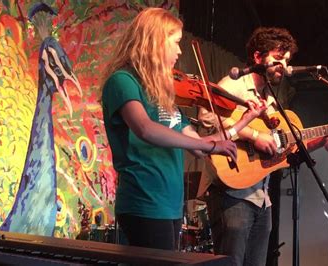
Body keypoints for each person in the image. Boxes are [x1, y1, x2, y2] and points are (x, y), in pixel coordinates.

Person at [100, 8, 265, 251]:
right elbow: (145, 129)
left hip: (169, 205)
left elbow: (199, 145)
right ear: (155, 40)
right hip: (143, 202)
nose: (179, 51)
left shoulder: (163, 96)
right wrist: (207, 144)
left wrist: (244, 122)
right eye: (176, 42)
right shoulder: (123, 81)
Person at [198, 27, 328, 265]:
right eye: (278, 59)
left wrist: (324, 138)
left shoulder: (269, 97)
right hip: (232, 193)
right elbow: (206, 116)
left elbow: (288, 148)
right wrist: (253, 135)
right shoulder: (234, 85)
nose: (284, 66)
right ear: (258, 57)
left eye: (287, 61)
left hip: (261, 197)